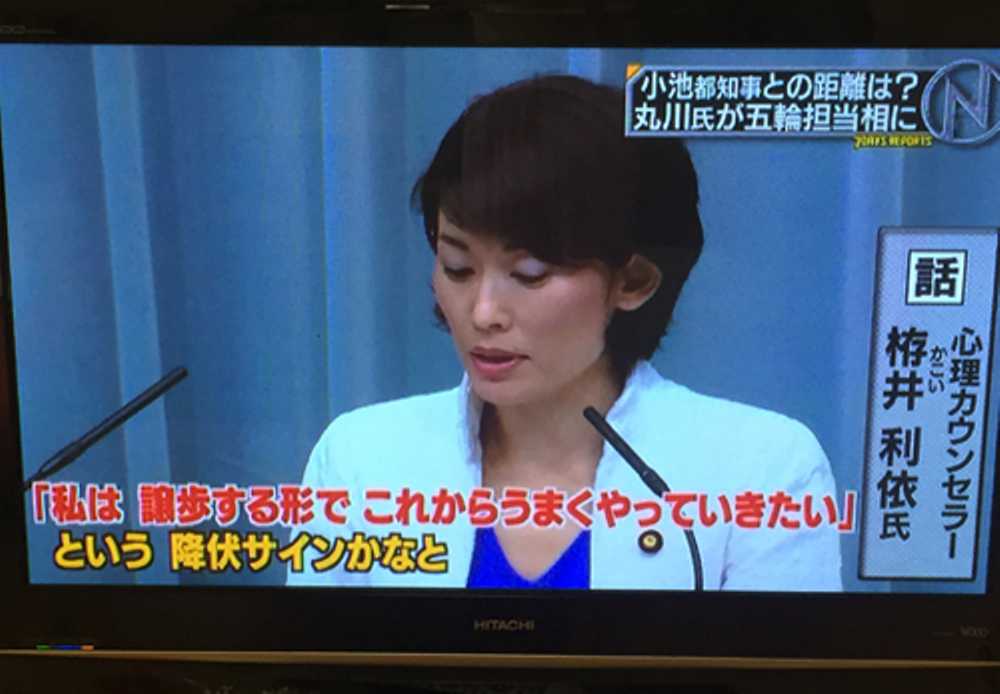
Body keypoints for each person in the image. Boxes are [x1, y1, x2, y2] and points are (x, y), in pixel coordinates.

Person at [287, 74, 843, 591]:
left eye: (529, 274)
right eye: (457, 267)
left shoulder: (763, 470)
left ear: (634, 281)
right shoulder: (360, 457)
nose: (483, 312)